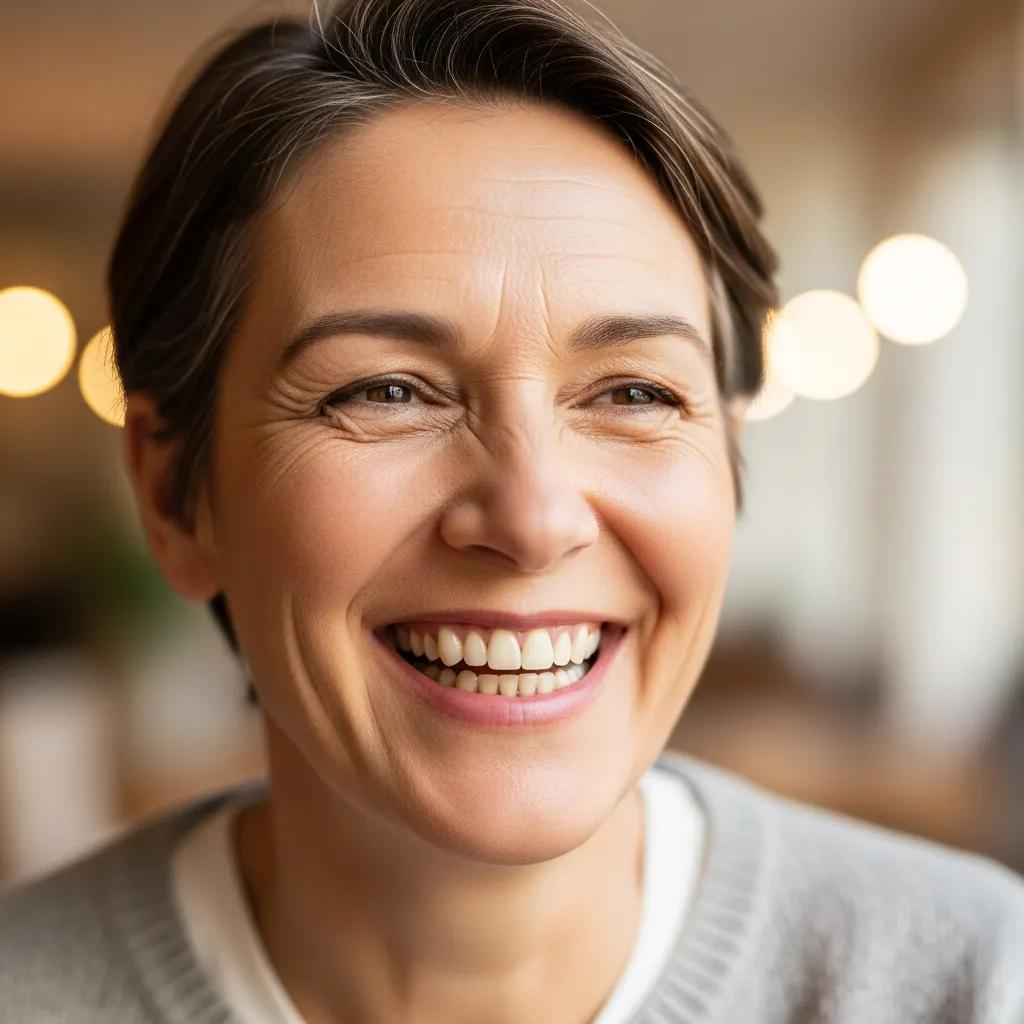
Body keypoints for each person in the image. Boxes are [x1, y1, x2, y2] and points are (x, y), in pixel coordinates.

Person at [3, 0, 1023, 1021]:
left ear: (729, 455)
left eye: (634, 392)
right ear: (172, 493)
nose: (532, 518)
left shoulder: (972, 980)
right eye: (386, 391)